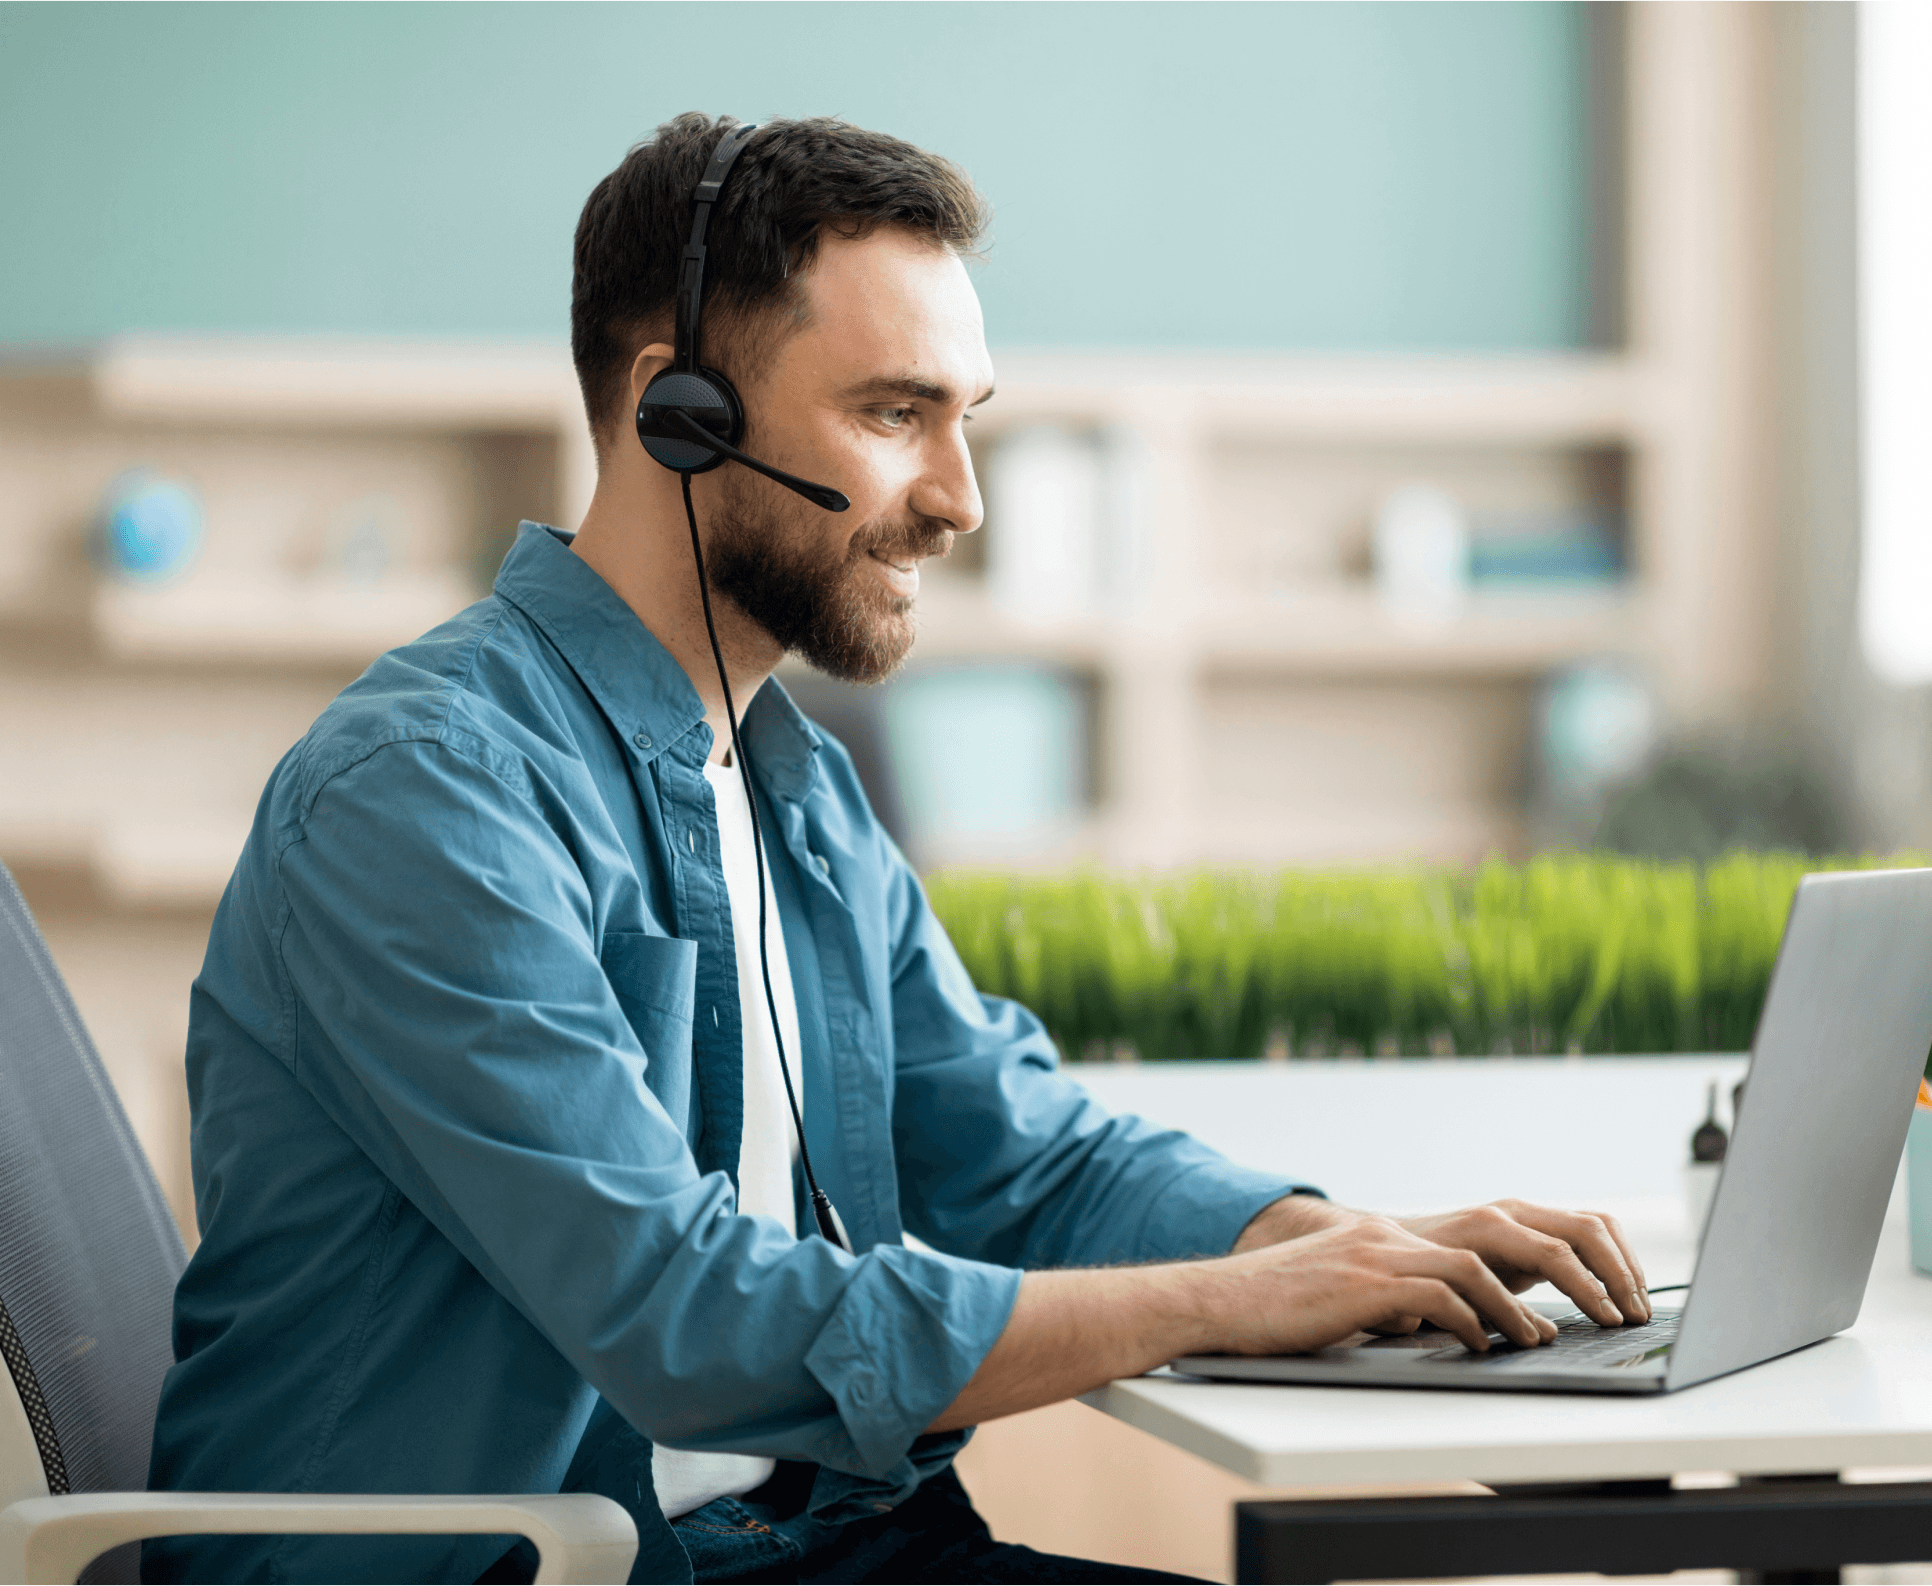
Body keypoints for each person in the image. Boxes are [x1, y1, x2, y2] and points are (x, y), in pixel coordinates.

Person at [145, 114, 1651, 1586]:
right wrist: (1237, 1299)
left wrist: (1347, 1251)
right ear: (680, 413)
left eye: (964, 418)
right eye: (892, 415)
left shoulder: (793, 784)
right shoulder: (428, 794)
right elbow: (683, 1317)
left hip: (829, 1545)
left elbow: (1015, 1148)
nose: (959, 499)